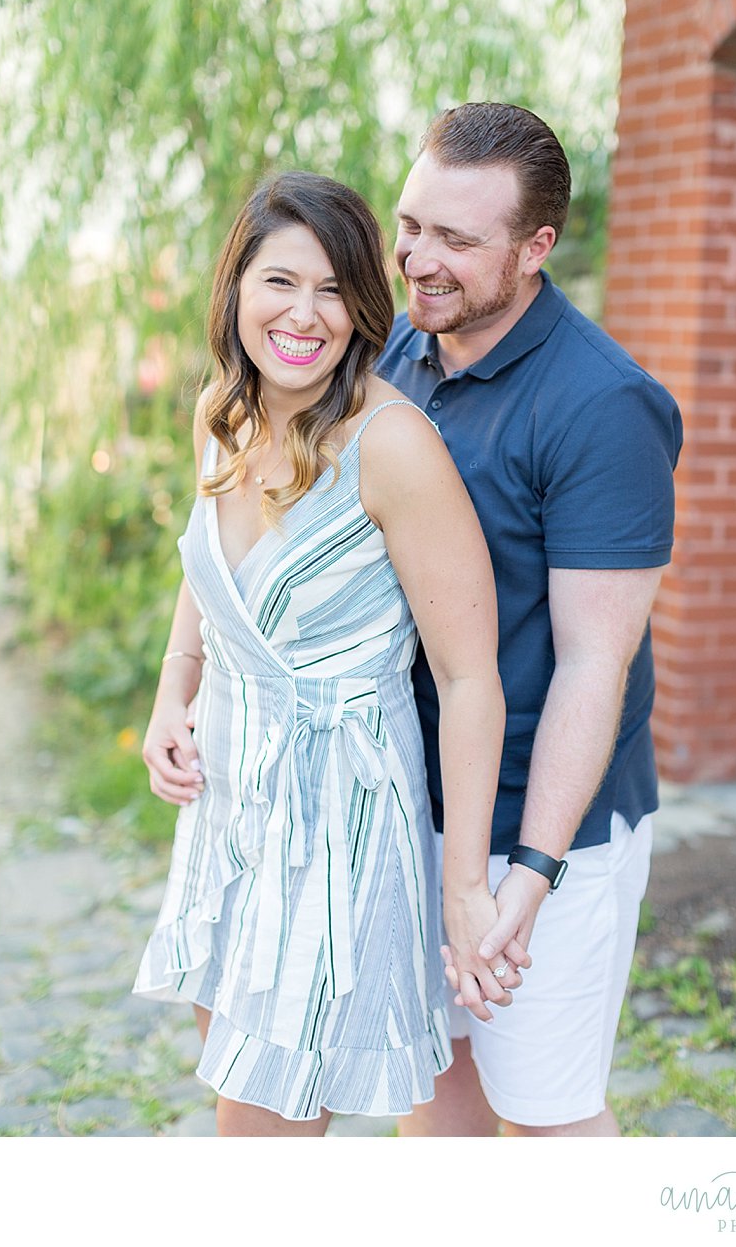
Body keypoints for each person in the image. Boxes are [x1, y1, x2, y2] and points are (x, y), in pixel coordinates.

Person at [135, 171, 512, 1136]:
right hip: (229, 806)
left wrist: (462, 886)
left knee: (259, 1129)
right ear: (236, 291)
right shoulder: (221, 410)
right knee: (242, 1079)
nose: (305, 315)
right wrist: (171, 694)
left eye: (334, 290)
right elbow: (209, 578)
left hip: (337, 824)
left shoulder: (392, 446)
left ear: (362, 310)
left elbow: (470, 679)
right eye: (280, 282)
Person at [378, 103, 683, 1138]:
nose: (418, 258)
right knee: (434, 1088)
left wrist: (534, 874)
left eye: (457, 240)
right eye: (411, 222)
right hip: (405, 801)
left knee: (546, 1119)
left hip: (545, 827)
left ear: (536, 246)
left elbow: (596, 661)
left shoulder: (603, 405)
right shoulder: (387, 357)